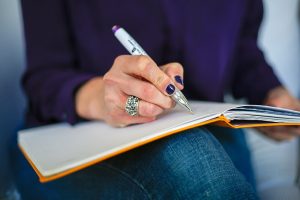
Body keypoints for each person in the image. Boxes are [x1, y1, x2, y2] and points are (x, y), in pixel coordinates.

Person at [12, 0, 300, 199]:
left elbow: (241, 48)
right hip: (76, 142)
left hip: (211, 129)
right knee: (192, 159)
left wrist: (270, 93)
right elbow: (43, 78)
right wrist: (103, 98)